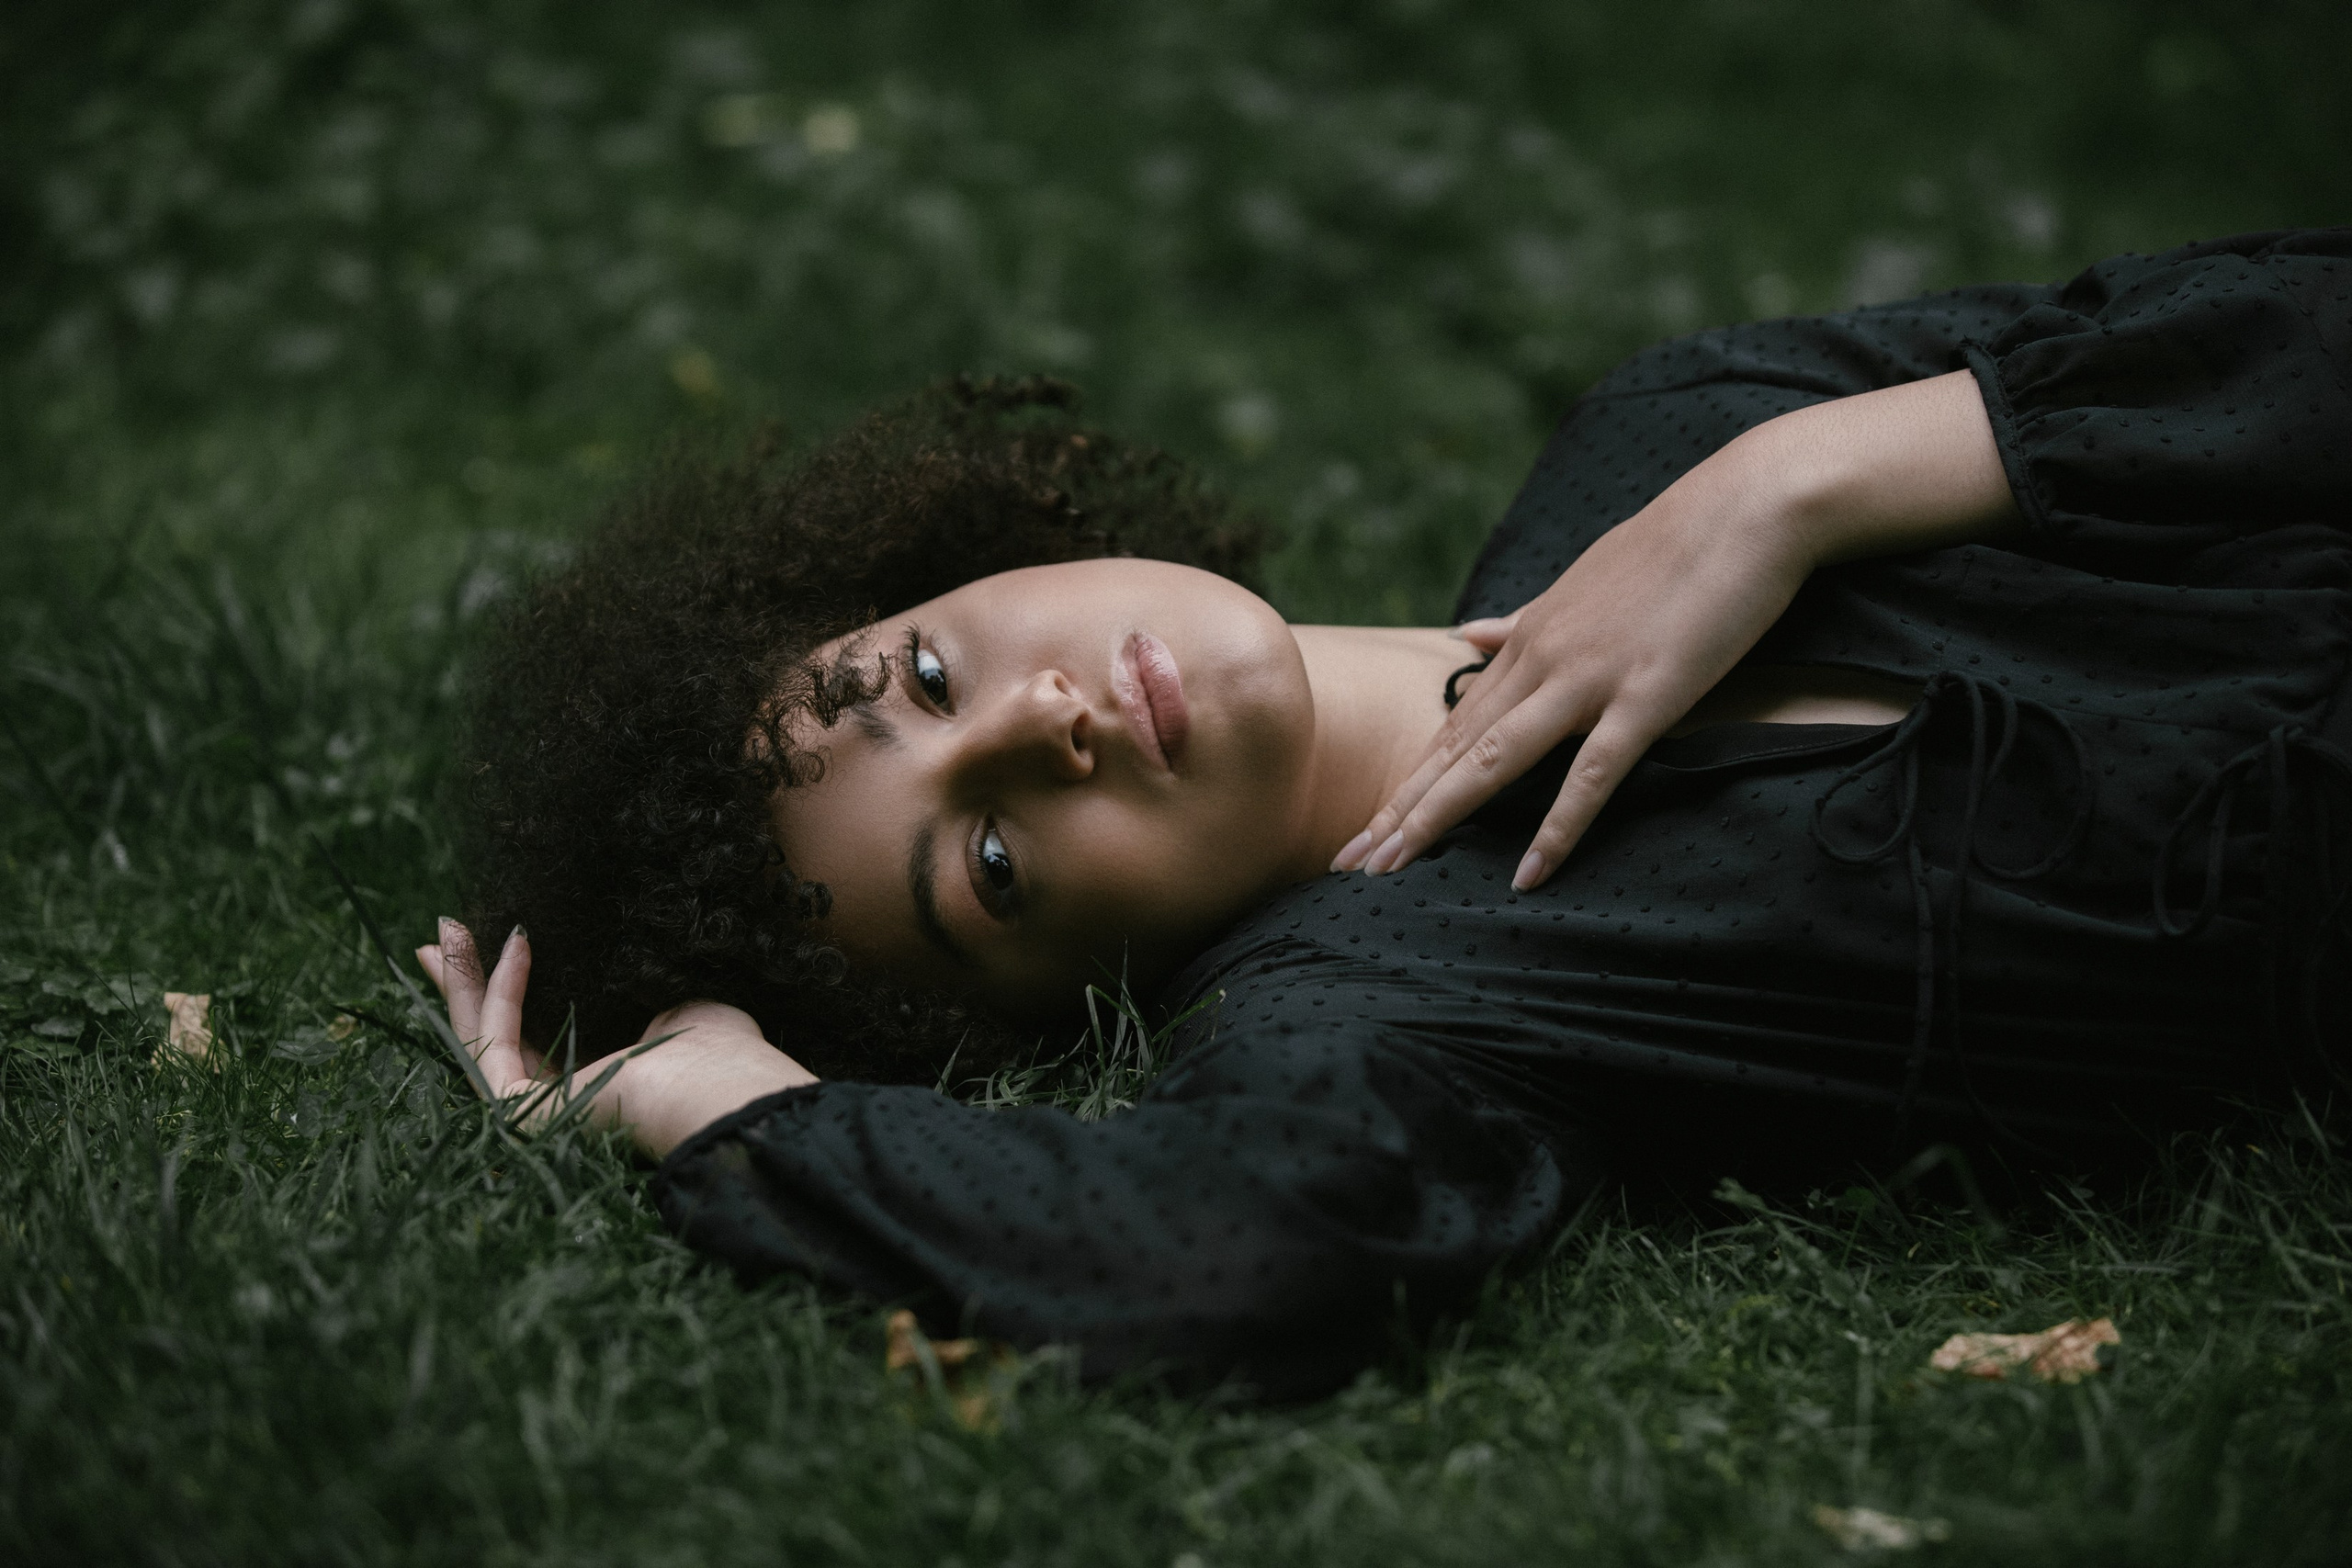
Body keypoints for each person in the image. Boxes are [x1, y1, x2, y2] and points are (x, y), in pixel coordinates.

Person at [422, 229, 2351, 1398]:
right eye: (992, 865)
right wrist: (727, 1104)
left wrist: (1801, 484)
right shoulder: (1384, 994)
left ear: (948, 565)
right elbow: (1215, 1259)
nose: (1045, 721)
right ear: (1040, 1006)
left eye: (928, 673)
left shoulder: (1672, 435)